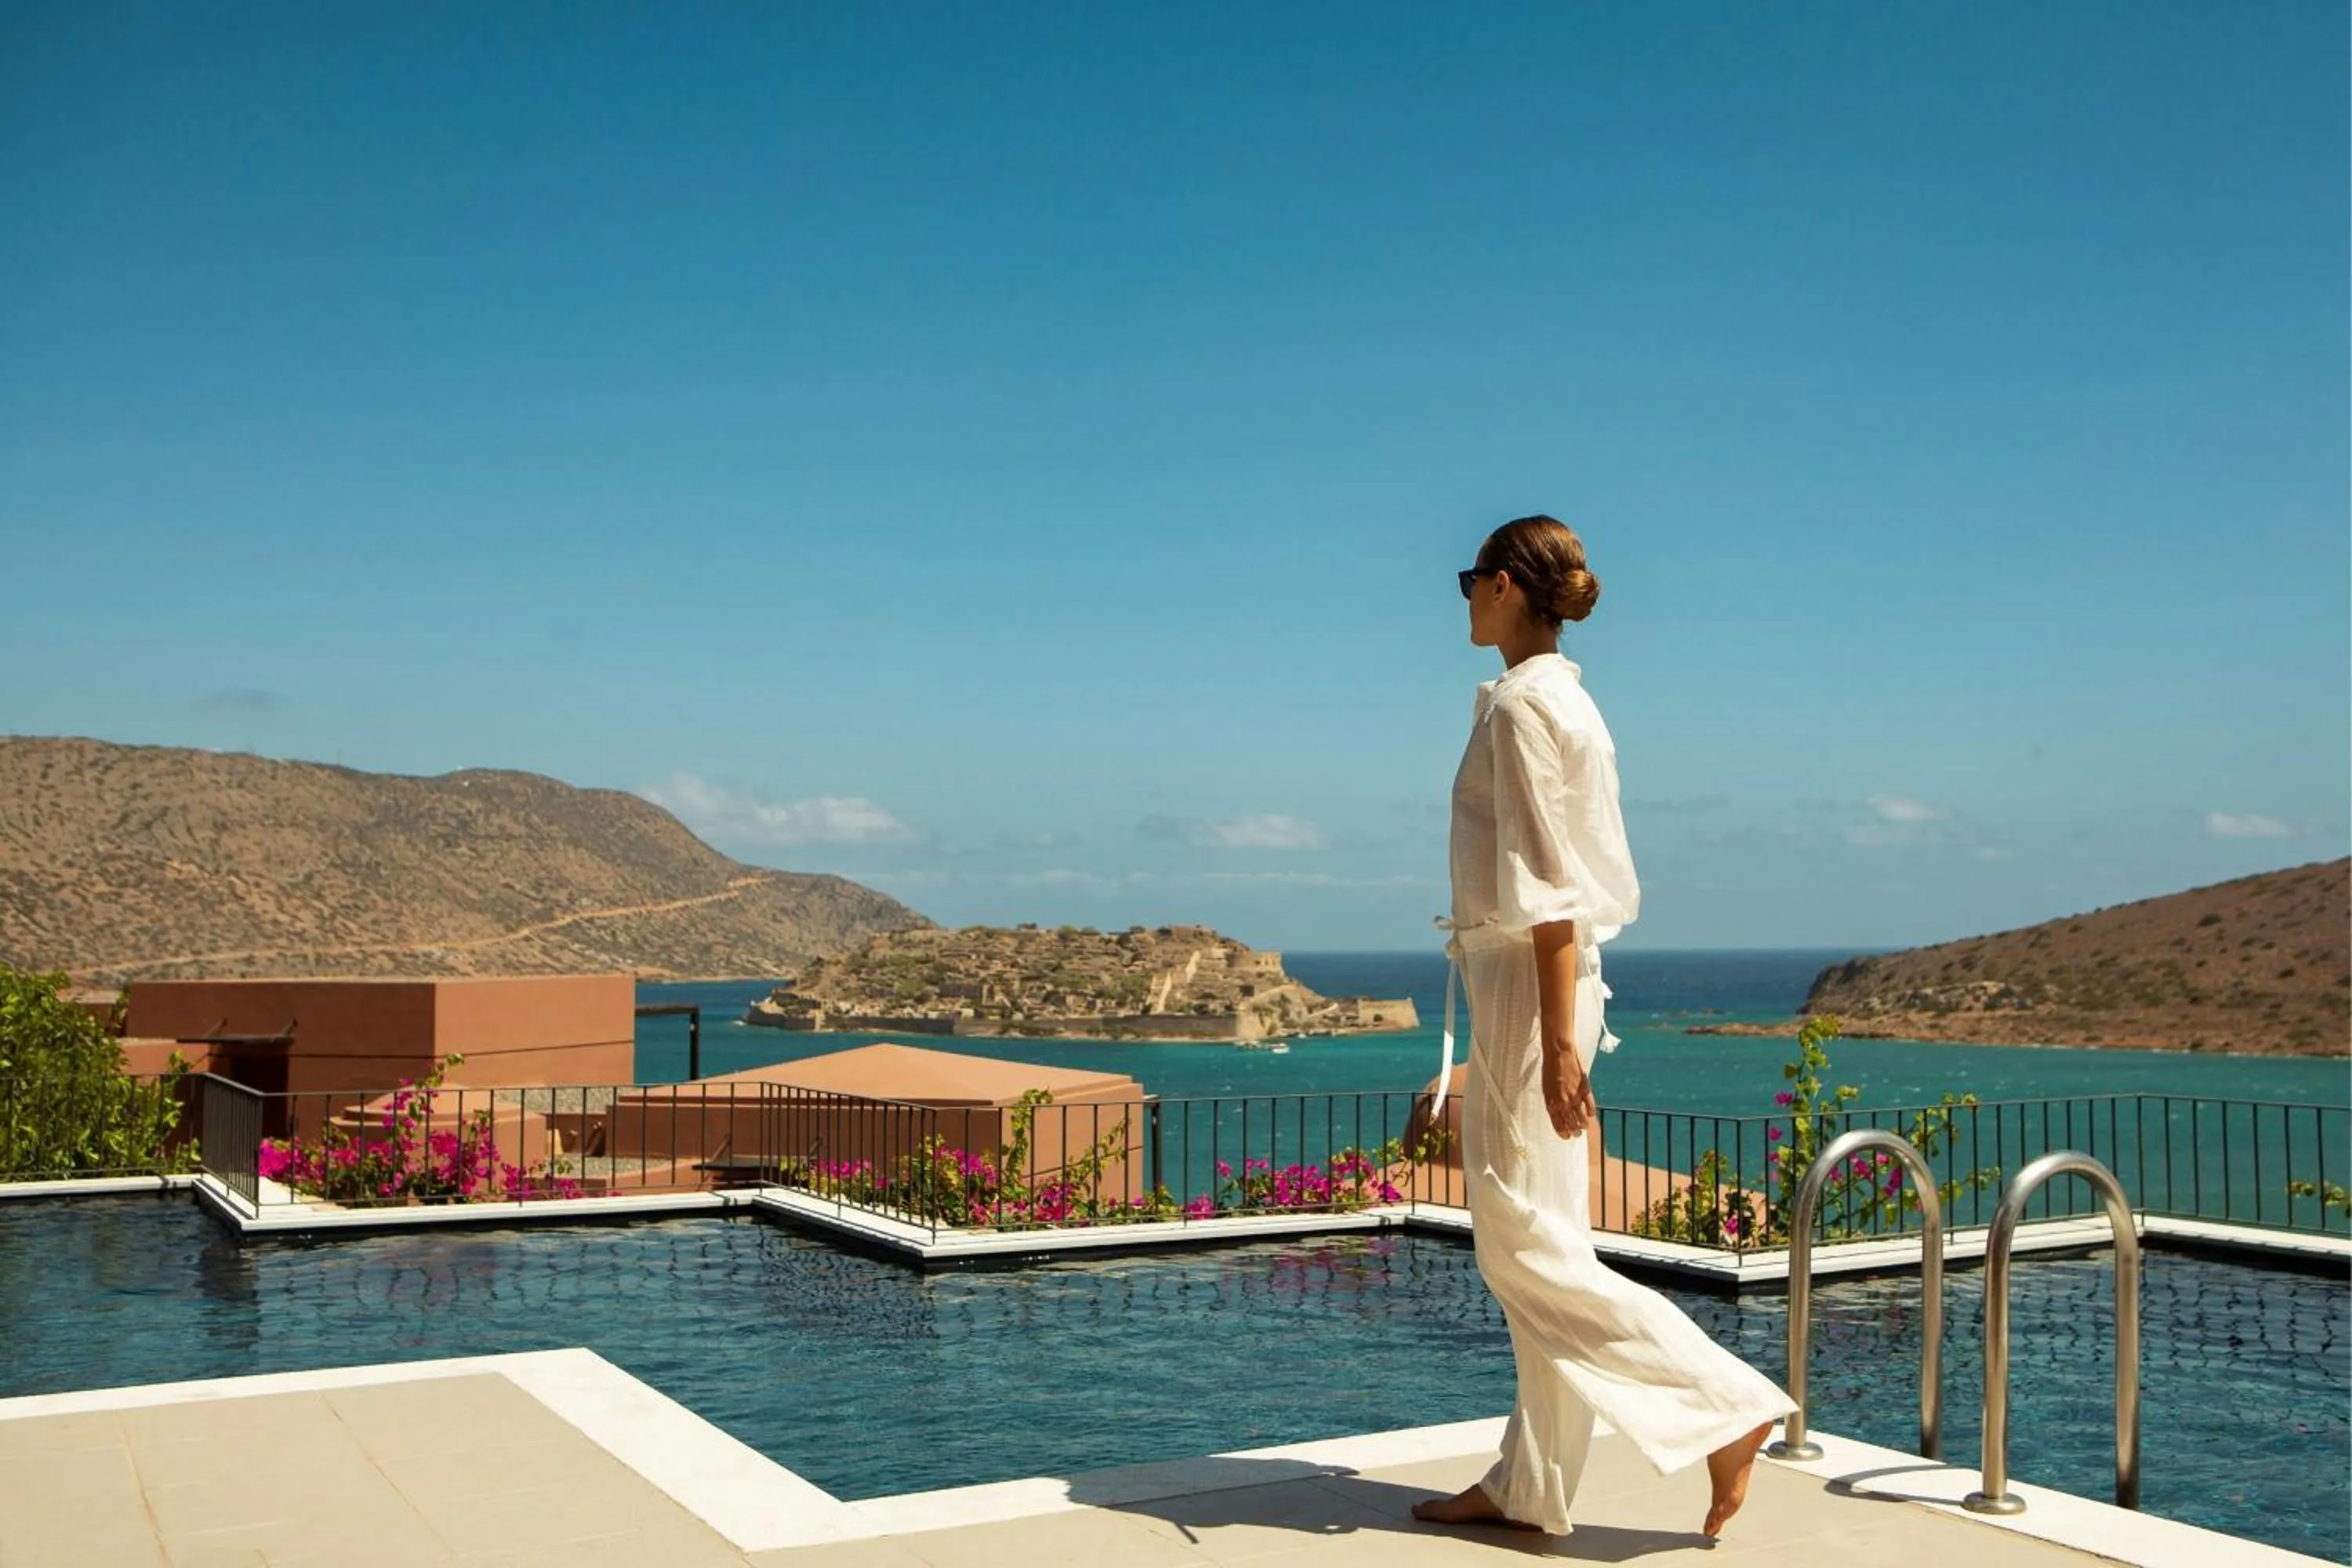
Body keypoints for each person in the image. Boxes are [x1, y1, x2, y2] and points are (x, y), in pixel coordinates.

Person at [1410, 514, 1795, 1540]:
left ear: (1500, 585)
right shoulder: (1569, 706)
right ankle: (1531, 1484)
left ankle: (1726, 1407)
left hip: (1535, 992)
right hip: (1543, 990)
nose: (1463, 600)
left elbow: (1548, 889)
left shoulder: (1524, 712)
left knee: (1523, 1250)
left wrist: (1555, 1043)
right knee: (1547, 1236)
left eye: (1467, 582)